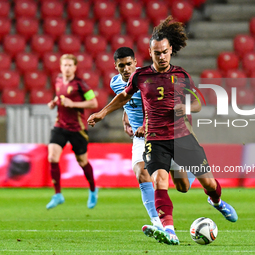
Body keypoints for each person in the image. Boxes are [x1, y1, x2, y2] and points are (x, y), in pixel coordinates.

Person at [88, 16, 238, 245]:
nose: (161, 56)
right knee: (158, 180)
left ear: (170, 51)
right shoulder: (141, 76)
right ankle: (168, 230)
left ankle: (217, 202)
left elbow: (198, 103)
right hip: (155, 139)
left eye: (164, 52)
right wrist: (103, 113)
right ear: (150, 52)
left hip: (181, 137)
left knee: (194, 185)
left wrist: (185, 106)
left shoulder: (181, 76)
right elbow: (124, 97)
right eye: (156, 52)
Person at [110, 47, 195, 231]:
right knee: (142, 173)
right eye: (121, 66)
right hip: (141, 139)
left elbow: (160, 104)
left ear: (135, 63)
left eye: (129, 64)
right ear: (115, 66)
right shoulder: (115, 83)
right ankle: (158, 223)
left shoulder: (148, 80)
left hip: (163, 132)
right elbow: (126, 100)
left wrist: (145, 125)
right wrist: (125, 117)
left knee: (182, 186)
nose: (126, 69)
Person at [46, 54, 98, 210]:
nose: (67, 68)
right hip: (60, 126)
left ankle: (93, 189)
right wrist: (54, 102)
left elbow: (93, 102)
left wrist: (73, 103)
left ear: (75, 67)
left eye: (70, 65)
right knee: (52, 156)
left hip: (77, 128)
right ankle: (58, 195)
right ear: (60, 67)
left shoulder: (81, 85)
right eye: (65, 65)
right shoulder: (58, 81)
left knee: (82, 162)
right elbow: (59, 96)